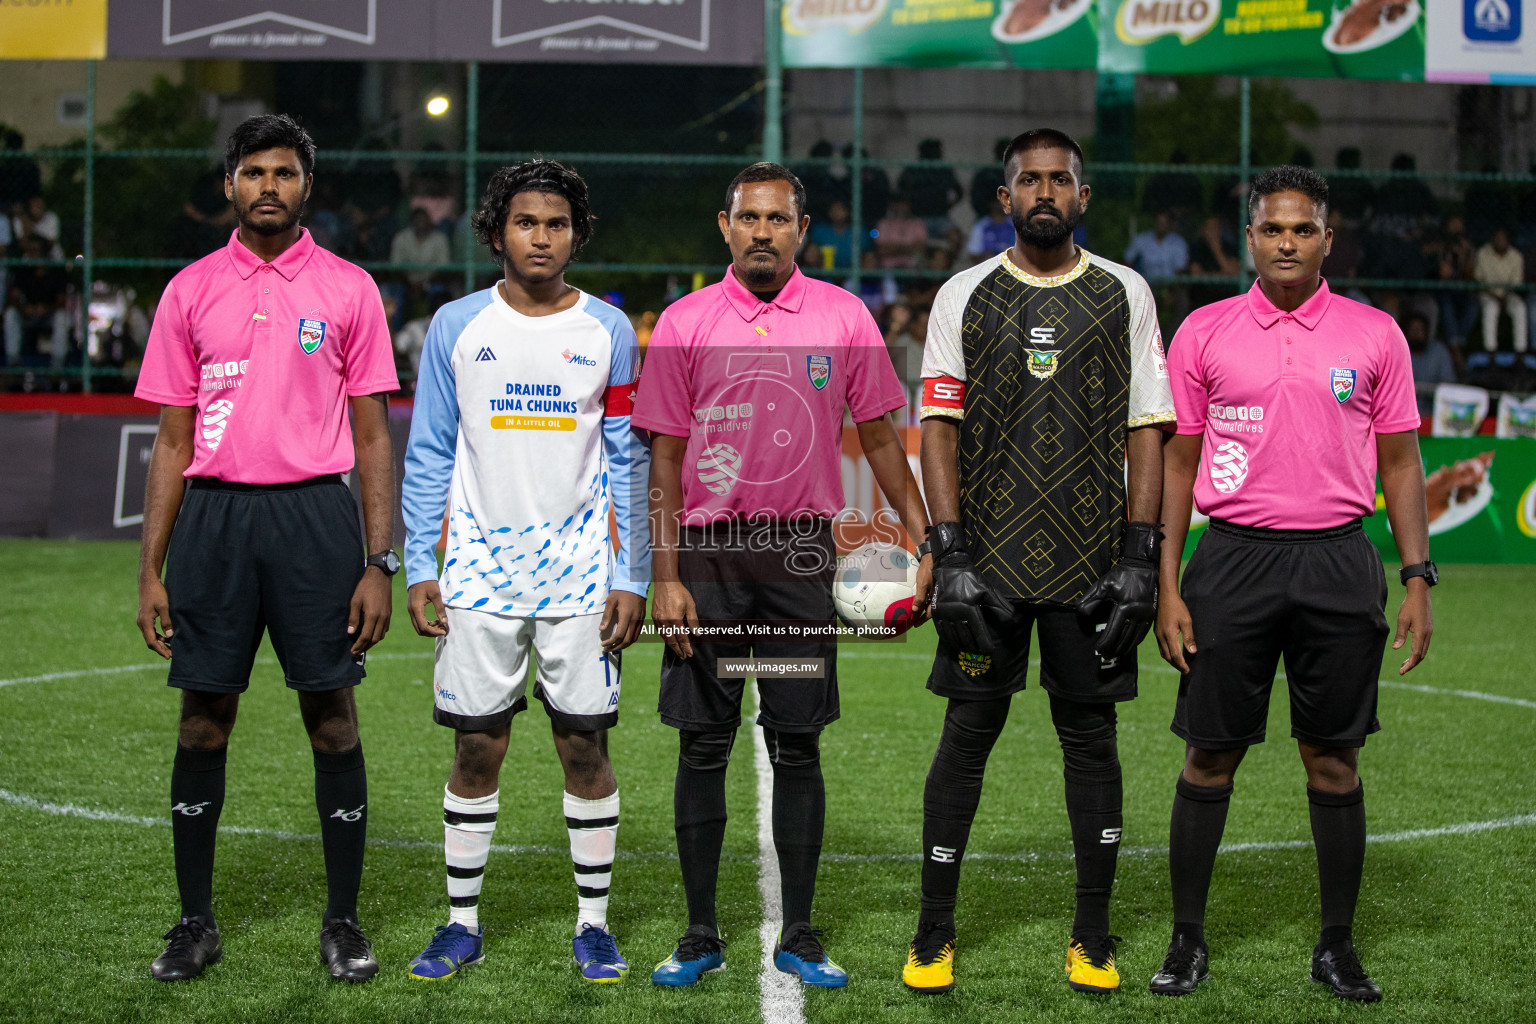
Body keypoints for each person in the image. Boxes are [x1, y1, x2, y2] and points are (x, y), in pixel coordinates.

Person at [632, 162, 934, 989]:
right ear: (723, 227)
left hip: (800, 562)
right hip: (707, 563)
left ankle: (798, 930)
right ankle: (700, 933)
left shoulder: (844, 317)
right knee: (704, 745)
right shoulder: (686, 324)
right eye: (748, 217)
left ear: (803, 229)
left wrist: (927, 537)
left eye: (778, 218)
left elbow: (879, 438)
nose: (762, 231)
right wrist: (665, 573)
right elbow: (662, 458)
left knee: (796, 743)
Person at [1150, 165, 1433, 1003]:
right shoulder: (1201, 331)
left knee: (1334, 762)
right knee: (1210, 756)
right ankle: (1187, 941)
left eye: (1303, 230)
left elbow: (1403, 463)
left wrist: (1417, 575)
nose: (1287, 243)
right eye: (1273, 229)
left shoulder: (1375, 334)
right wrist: (1168, 583)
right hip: (1230, 558)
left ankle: (1337, 946)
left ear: (1326, 239)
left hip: (1340, 560)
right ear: (1249, 237)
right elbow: (1177, 463)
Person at [903, 128, 1175, 997]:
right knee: (965, 741)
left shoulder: (1124, 291)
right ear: (1004, 198)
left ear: (1083, 196)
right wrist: (947, 554)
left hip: (1093, 574)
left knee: (1092, 745)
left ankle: (1092, 938)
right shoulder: (964, 295)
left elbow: (1147, 430)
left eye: (1061, 179)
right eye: (1030, 180)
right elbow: (937, 428)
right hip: (987, 567)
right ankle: (932, 931)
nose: (1046, 191)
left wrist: (1141, 556)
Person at [132, 114, 400, 983]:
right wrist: (151, 568)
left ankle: (344, 922)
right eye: (253, 172)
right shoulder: (189, 290)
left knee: (331, 717)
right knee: (204, 718)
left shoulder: (350, 288)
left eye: (284, 172)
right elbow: (172, 442)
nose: (268, 186)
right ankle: (193, 922)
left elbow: (371, 438)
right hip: (213, 521)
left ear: (306, 186)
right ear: (229, 186)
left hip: (316, 524)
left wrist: (377, 559)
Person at [399, 160, 651, 984]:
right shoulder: (456, 327)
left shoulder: (608, 331)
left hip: (580, 576)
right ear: (496, 231)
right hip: (477, 575)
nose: (541, 237)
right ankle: (461, 923)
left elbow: (626, 457)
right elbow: (431, 449)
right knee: (478, 747)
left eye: (556, 224)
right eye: (525, 223)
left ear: (576, 233)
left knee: (584, 746)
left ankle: (593, 926)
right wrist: (419, 564)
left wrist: (632, 575)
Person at [1474, 228, 1527, 353]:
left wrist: (1504, 297)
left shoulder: (1516, 256)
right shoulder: (1483, 253)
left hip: (1509, 294)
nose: (1499, 242)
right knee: (1490, 309)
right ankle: (1491, 354)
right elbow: (1478, 280)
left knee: (1520, 308)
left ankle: (1520, 354)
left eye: (1502, 239)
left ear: (1509, 241)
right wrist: (1495, 296)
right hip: (1488, 293)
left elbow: (1516, 284)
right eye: (1497, 239)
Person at [1404, 311, 1456, 415]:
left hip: (1434, 413)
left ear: (1428, 332)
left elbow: (1448, 385)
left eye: (1420, 330)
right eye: (1413, 329)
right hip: (1402, 414)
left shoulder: (1439, 351)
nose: (1416, 333)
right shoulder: (1397, 351)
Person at [390, 207, 452, 290]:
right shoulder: (401, 237)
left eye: (424, 220)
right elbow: (396, 266)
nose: (421, 223)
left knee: (440, 291)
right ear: (412, 222)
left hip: (432, 284)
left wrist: (424, 285)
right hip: (406, 284)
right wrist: (411, 285)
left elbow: (443, 268)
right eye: (418, 220)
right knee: (394, 289)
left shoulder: (440, 239)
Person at [1125, 212, 1190, 280]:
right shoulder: (1142, 239)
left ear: (1169, 224)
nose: (1161, 225)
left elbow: (1181, 269)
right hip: (1146, 284)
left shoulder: (1178, 242)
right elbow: (1128, 260)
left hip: (1170, 285)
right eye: (1159, 222)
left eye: (1164, 223)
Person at [876, 195, 928, 271]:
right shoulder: (883, 223)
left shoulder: (918, 223)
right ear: (892, 206)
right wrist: (909, 248)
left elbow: (920, 250)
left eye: (904, 204)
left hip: (913, 269)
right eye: (898, 204)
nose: (901, 207)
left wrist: (894, 248)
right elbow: (882, 250)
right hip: (888, 268)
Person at [805, 197, 854, 272]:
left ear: (847, 212)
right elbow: (811, 255)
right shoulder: (820, 230)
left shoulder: (857, 232)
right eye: (833, 209)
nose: (836, 213)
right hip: (822, 273)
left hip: (850, 276)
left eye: (839, 209)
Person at [965, 199, 1015, 265]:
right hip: (990, 266)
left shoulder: (1015, 225)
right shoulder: (981, 226)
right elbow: (974, 254)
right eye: (998, 202)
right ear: (991, 205)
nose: (1000, 205)